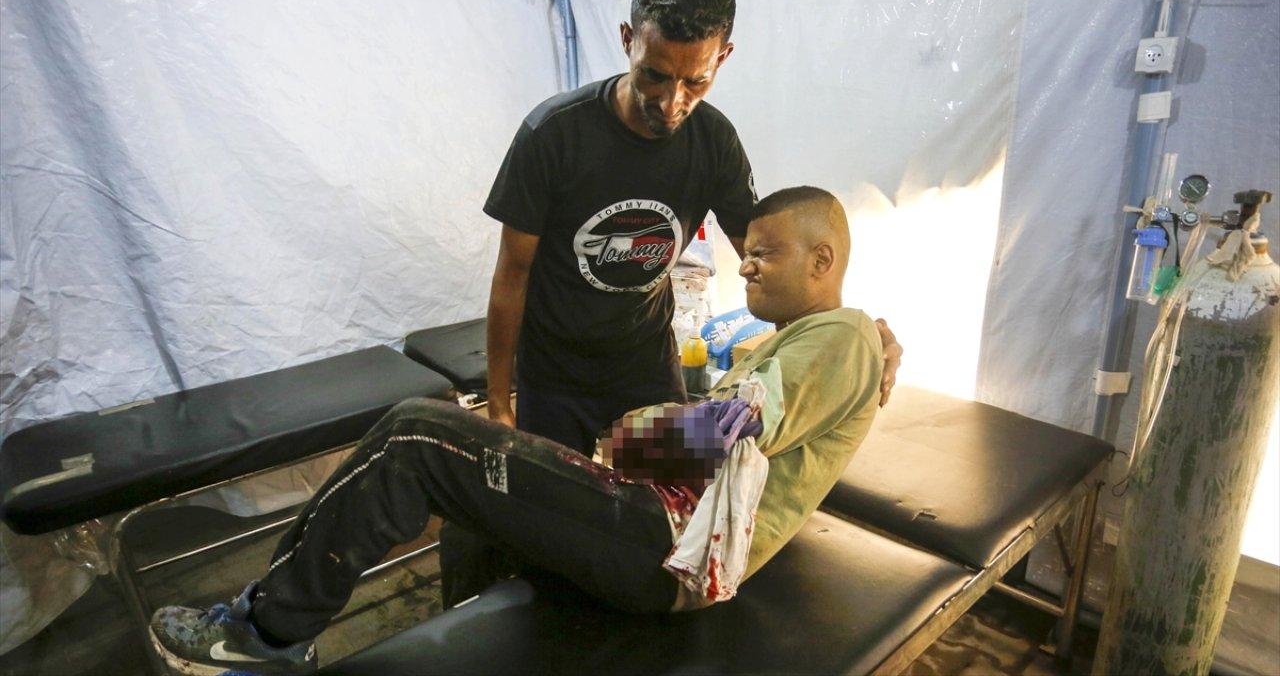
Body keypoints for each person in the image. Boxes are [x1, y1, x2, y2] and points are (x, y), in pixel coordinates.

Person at [149, 187, 885, 675]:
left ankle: (261, 636)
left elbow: (711, 438)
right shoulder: (793, 342)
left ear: (822, 259)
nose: (746, 266)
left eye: (765, 253)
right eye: (745, 251)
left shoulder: (844, 335)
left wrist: (627, 435)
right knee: (470, 508)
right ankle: (464, 643)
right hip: (661, 528)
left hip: (669, 543)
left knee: (418, 436)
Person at [456, 0, 902, 606]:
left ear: (723, 56)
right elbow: (511, 276)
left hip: (643, 369)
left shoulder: (713, 143)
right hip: (554, 373)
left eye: (696, 81)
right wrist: (501, 403)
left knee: (628, 532)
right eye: (654, 76)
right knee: (543, 544)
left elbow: (770, 261)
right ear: (626, 40)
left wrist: (856, 331)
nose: (672, 103)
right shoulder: (554, 134)